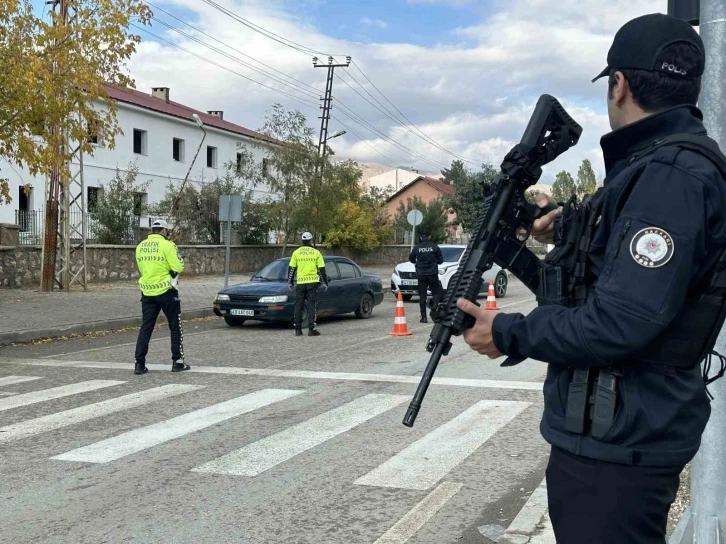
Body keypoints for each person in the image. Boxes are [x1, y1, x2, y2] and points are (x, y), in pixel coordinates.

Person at [455, 13, 726, 544]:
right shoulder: (651, 168)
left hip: (621, 443)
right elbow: (596, 282)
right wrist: (537, 239)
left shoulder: (670, 177)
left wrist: (509, 332)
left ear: (619, 84)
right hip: (612, 434)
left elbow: (620, 323)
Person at [133, 219, 190, 375]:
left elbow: (142, 268)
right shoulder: (168, 245)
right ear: (164, 231)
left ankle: (139, 364)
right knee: (174, 326)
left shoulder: (140, 246)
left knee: (146, 327)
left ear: (153, 230)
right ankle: (177, 362)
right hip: (167, 291)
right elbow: (178, 267)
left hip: (147, 292)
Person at [288, 232, 329, 336]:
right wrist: (325, 283)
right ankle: (311, 329)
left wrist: (290, 282)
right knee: (312, 306)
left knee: (298, 306)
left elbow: (292, 269)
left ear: (302, 240)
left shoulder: (296, 252)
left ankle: (298, 330)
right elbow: (321, 270)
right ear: (311, 240)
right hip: (312, 283)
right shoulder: (316, 253)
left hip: (300, 283)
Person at [409, 228, 443, 323]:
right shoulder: (434, 247)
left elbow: (411, 258)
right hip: (432, 274)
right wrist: (434, 261)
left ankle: (424, 317)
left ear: (420, 237)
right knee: (436, 293)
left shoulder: (417, 247)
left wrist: (417, 262)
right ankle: (434, 308)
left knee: (422, 296)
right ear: (429, 236)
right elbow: (441, 261)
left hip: (421, 274)